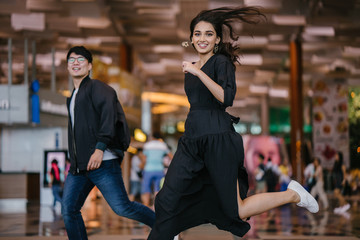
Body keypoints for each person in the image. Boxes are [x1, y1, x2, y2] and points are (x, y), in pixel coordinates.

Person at [147, 7, 319, 240]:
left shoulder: (220, 63)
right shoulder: (192, 70)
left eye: (209, 34)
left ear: (217, 39)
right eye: (197, 34)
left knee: (236, 210)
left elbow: (226, 98)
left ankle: (293, 195)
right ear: (191, 38)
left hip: (218, 139)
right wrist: (195, 71)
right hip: (192, 140)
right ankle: (169, 233)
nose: (202, 39)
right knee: (166, 198)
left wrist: (198, 73)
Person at [61, 46, 155, 240]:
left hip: (102, 162)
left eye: (80, 59)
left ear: (89, 66)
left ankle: (167, 228)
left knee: (122, 207)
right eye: (71, 60)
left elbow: (109, 117)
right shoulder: (72, 97)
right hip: (79, 167)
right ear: (67, 66)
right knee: (69, 210)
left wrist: (100, 148)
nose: (75, 63)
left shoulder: (99, 88)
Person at [141, 132, 170, 207]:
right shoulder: (163, 145)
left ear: (152, 137)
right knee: (158, 189)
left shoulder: (148, 145)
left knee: (146, 189)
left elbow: (144, 159)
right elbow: (171, 156)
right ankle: (156, 207)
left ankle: (146, 207)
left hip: (148, 169)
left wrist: (142, 166)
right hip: (159, 170)